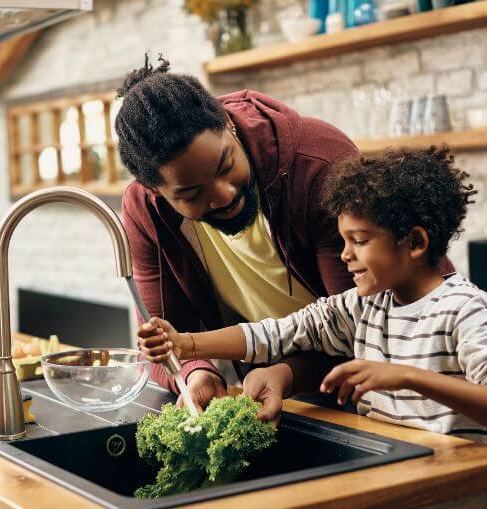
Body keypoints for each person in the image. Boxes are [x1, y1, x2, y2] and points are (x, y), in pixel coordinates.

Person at [138, 146, 487, 444]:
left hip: (458, 501)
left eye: (360, 241)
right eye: (344, 240)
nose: (345, 255)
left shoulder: (463, 310)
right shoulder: (363, 307)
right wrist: (185, 344)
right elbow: (275, 334)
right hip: (392, 487)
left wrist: (407, 377)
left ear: (415, 242)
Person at [118, 54, 405, 408]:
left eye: (226, 165)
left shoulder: (318, 168)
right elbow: (163, 337)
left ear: (228, 125)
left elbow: (367, 326)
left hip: (391, 392)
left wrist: (287, 373)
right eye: (192, 193)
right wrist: (196, 372)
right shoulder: (146, 211)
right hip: (283, 394)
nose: (223, 195)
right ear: (155, 191)